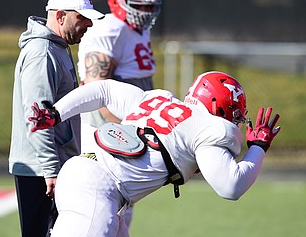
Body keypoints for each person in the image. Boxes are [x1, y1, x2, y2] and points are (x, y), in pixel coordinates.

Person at [28, 71, 281, 237]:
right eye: (235, 115)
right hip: (99, 188)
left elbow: (102, 90)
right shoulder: (209, 128)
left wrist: (56, 112)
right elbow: (231, 187)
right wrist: (258, 147)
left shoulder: (157, 99)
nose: (235, 123)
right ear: (220, 108)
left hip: (80, 172)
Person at [8, 0, 104, 237]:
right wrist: (51, 169)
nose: (88, 25)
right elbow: (36, 115)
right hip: (42, 170)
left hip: (54, 166)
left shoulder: (57, 48)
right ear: (60, 16)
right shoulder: (42, 52)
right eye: (81, 18)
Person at [77, 0, 161, 155]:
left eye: (149, 6)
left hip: (135, 106)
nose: (145, 13)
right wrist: (129, 127)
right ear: (118, 1)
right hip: (108, 118)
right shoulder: (109, 29)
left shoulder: (138, 28)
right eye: (138, 6)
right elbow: (97, 89)